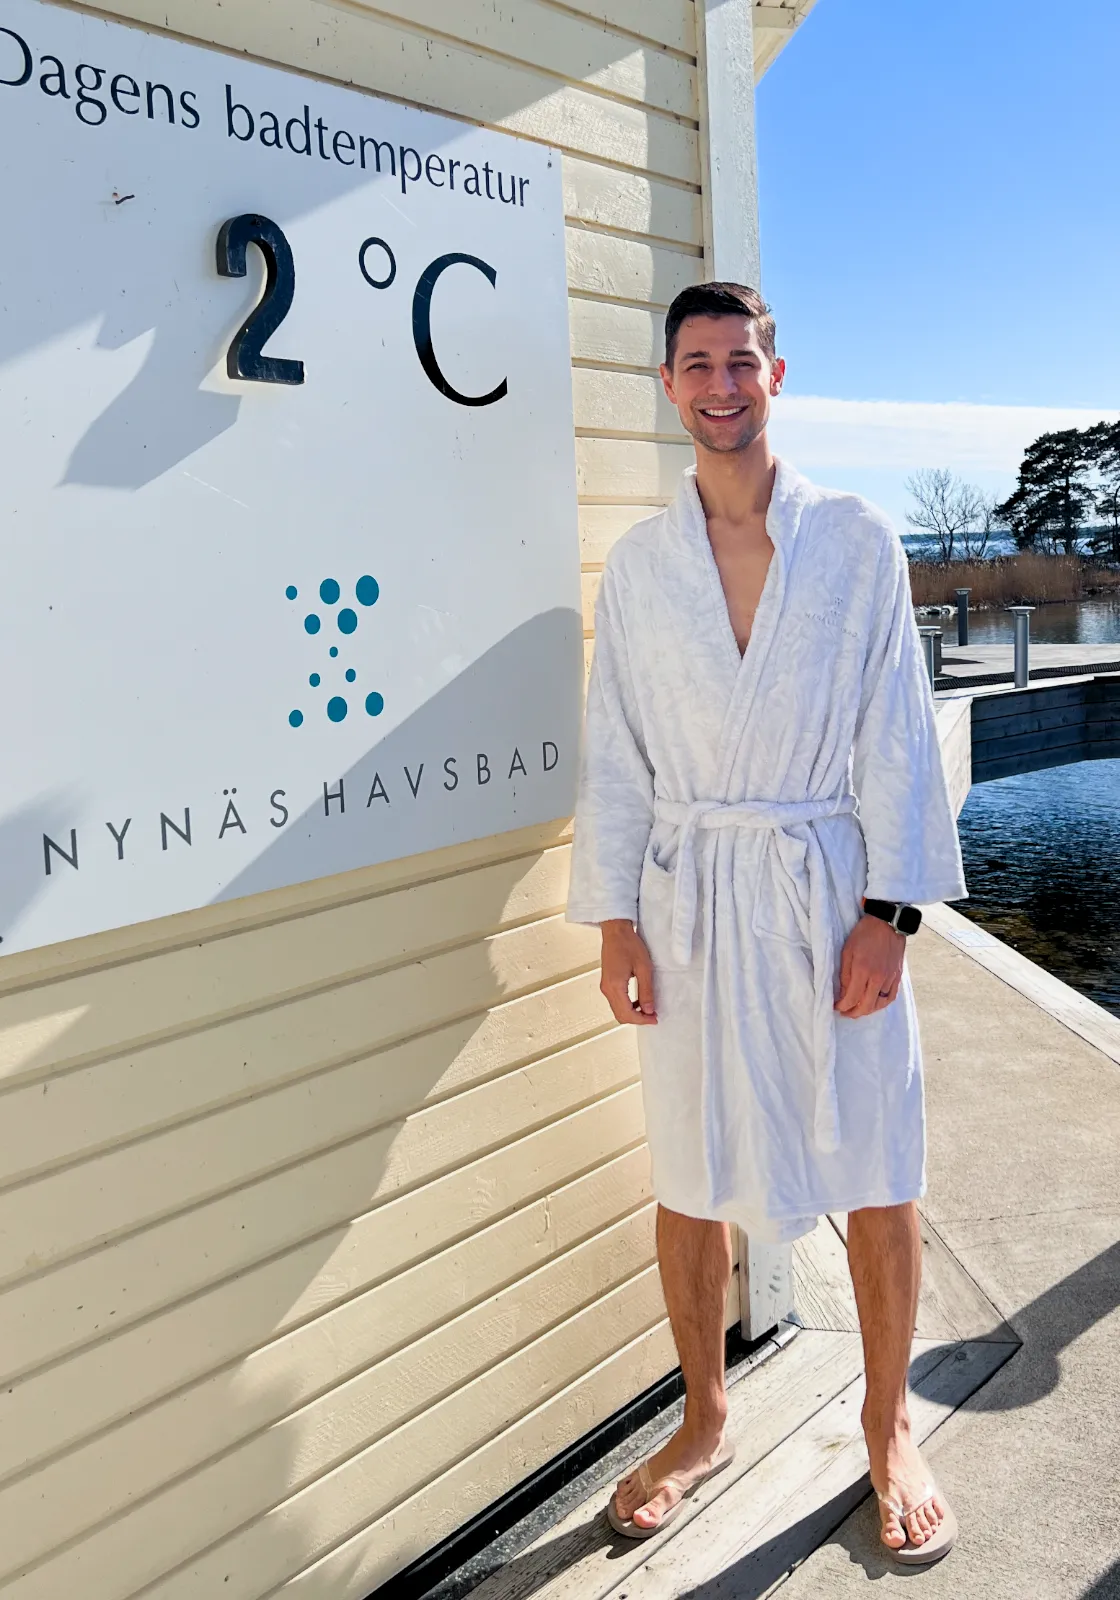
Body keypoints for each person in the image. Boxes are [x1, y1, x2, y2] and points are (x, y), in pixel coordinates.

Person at [566, 282, 967, 1565]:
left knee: (880, 1159)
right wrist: (616, 918)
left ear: (775, 374)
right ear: (668, 385)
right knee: (689, 1165)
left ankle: (888, 1419)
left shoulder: (856, 541)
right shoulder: (640, 568)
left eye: (742, 361)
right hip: (692, 906)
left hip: (827, 888)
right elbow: (618, 755)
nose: (721, 384)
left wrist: (889, 913)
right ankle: (703, 1416)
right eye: (697, 365)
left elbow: (898, 736)